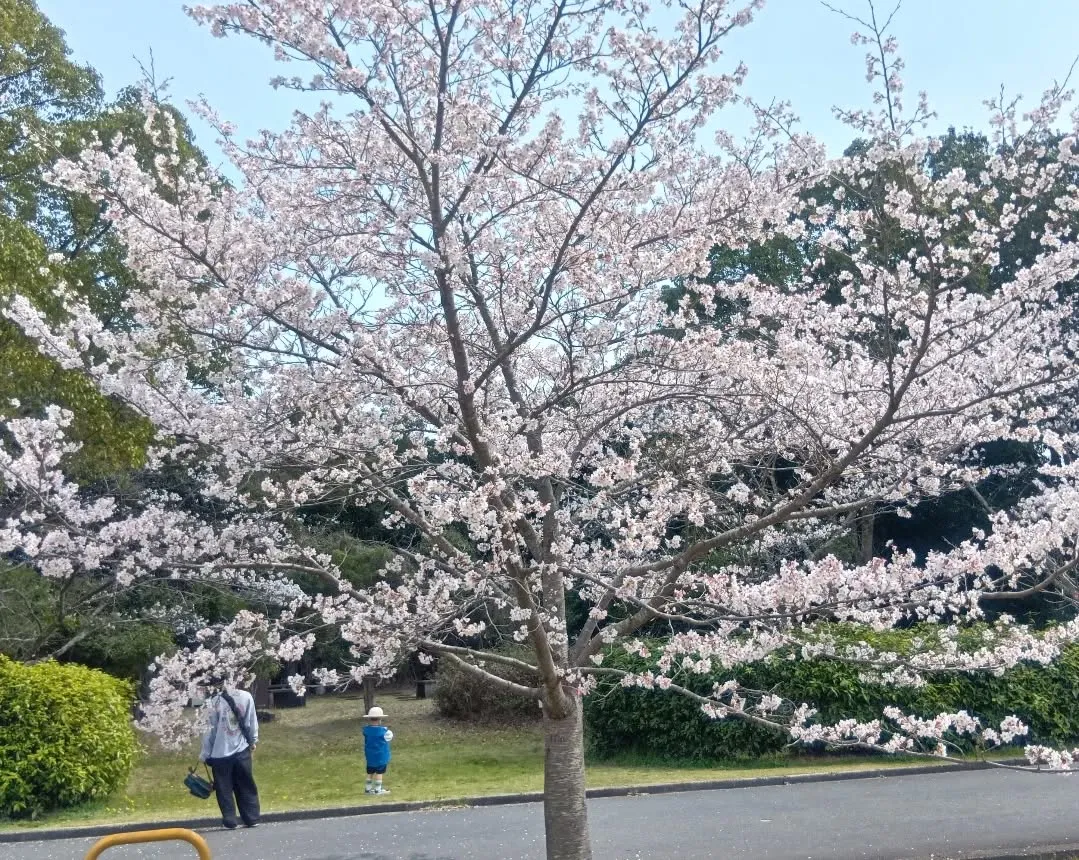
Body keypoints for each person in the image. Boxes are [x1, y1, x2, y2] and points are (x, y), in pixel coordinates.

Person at [199, 677, 261, 829]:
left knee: (223, 788)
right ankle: (252, 818)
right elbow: (251, 721)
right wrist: (253, 740)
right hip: (241, 749)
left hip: (220, 753)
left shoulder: (214, 701)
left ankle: (229, 820)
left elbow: (209, 731)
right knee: (246, 784)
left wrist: (205, 753)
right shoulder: (246, 697)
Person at [363, 706, 393, 794]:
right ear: (380, 719)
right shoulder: (384, 731)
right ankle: (378, 789)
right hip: (381, 756)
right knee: (379, 773)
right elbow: (389, 738)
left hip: (370, 756)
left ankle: (367, 789)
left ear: (369, 719)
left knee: (370, 772)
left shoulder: (366, 730)